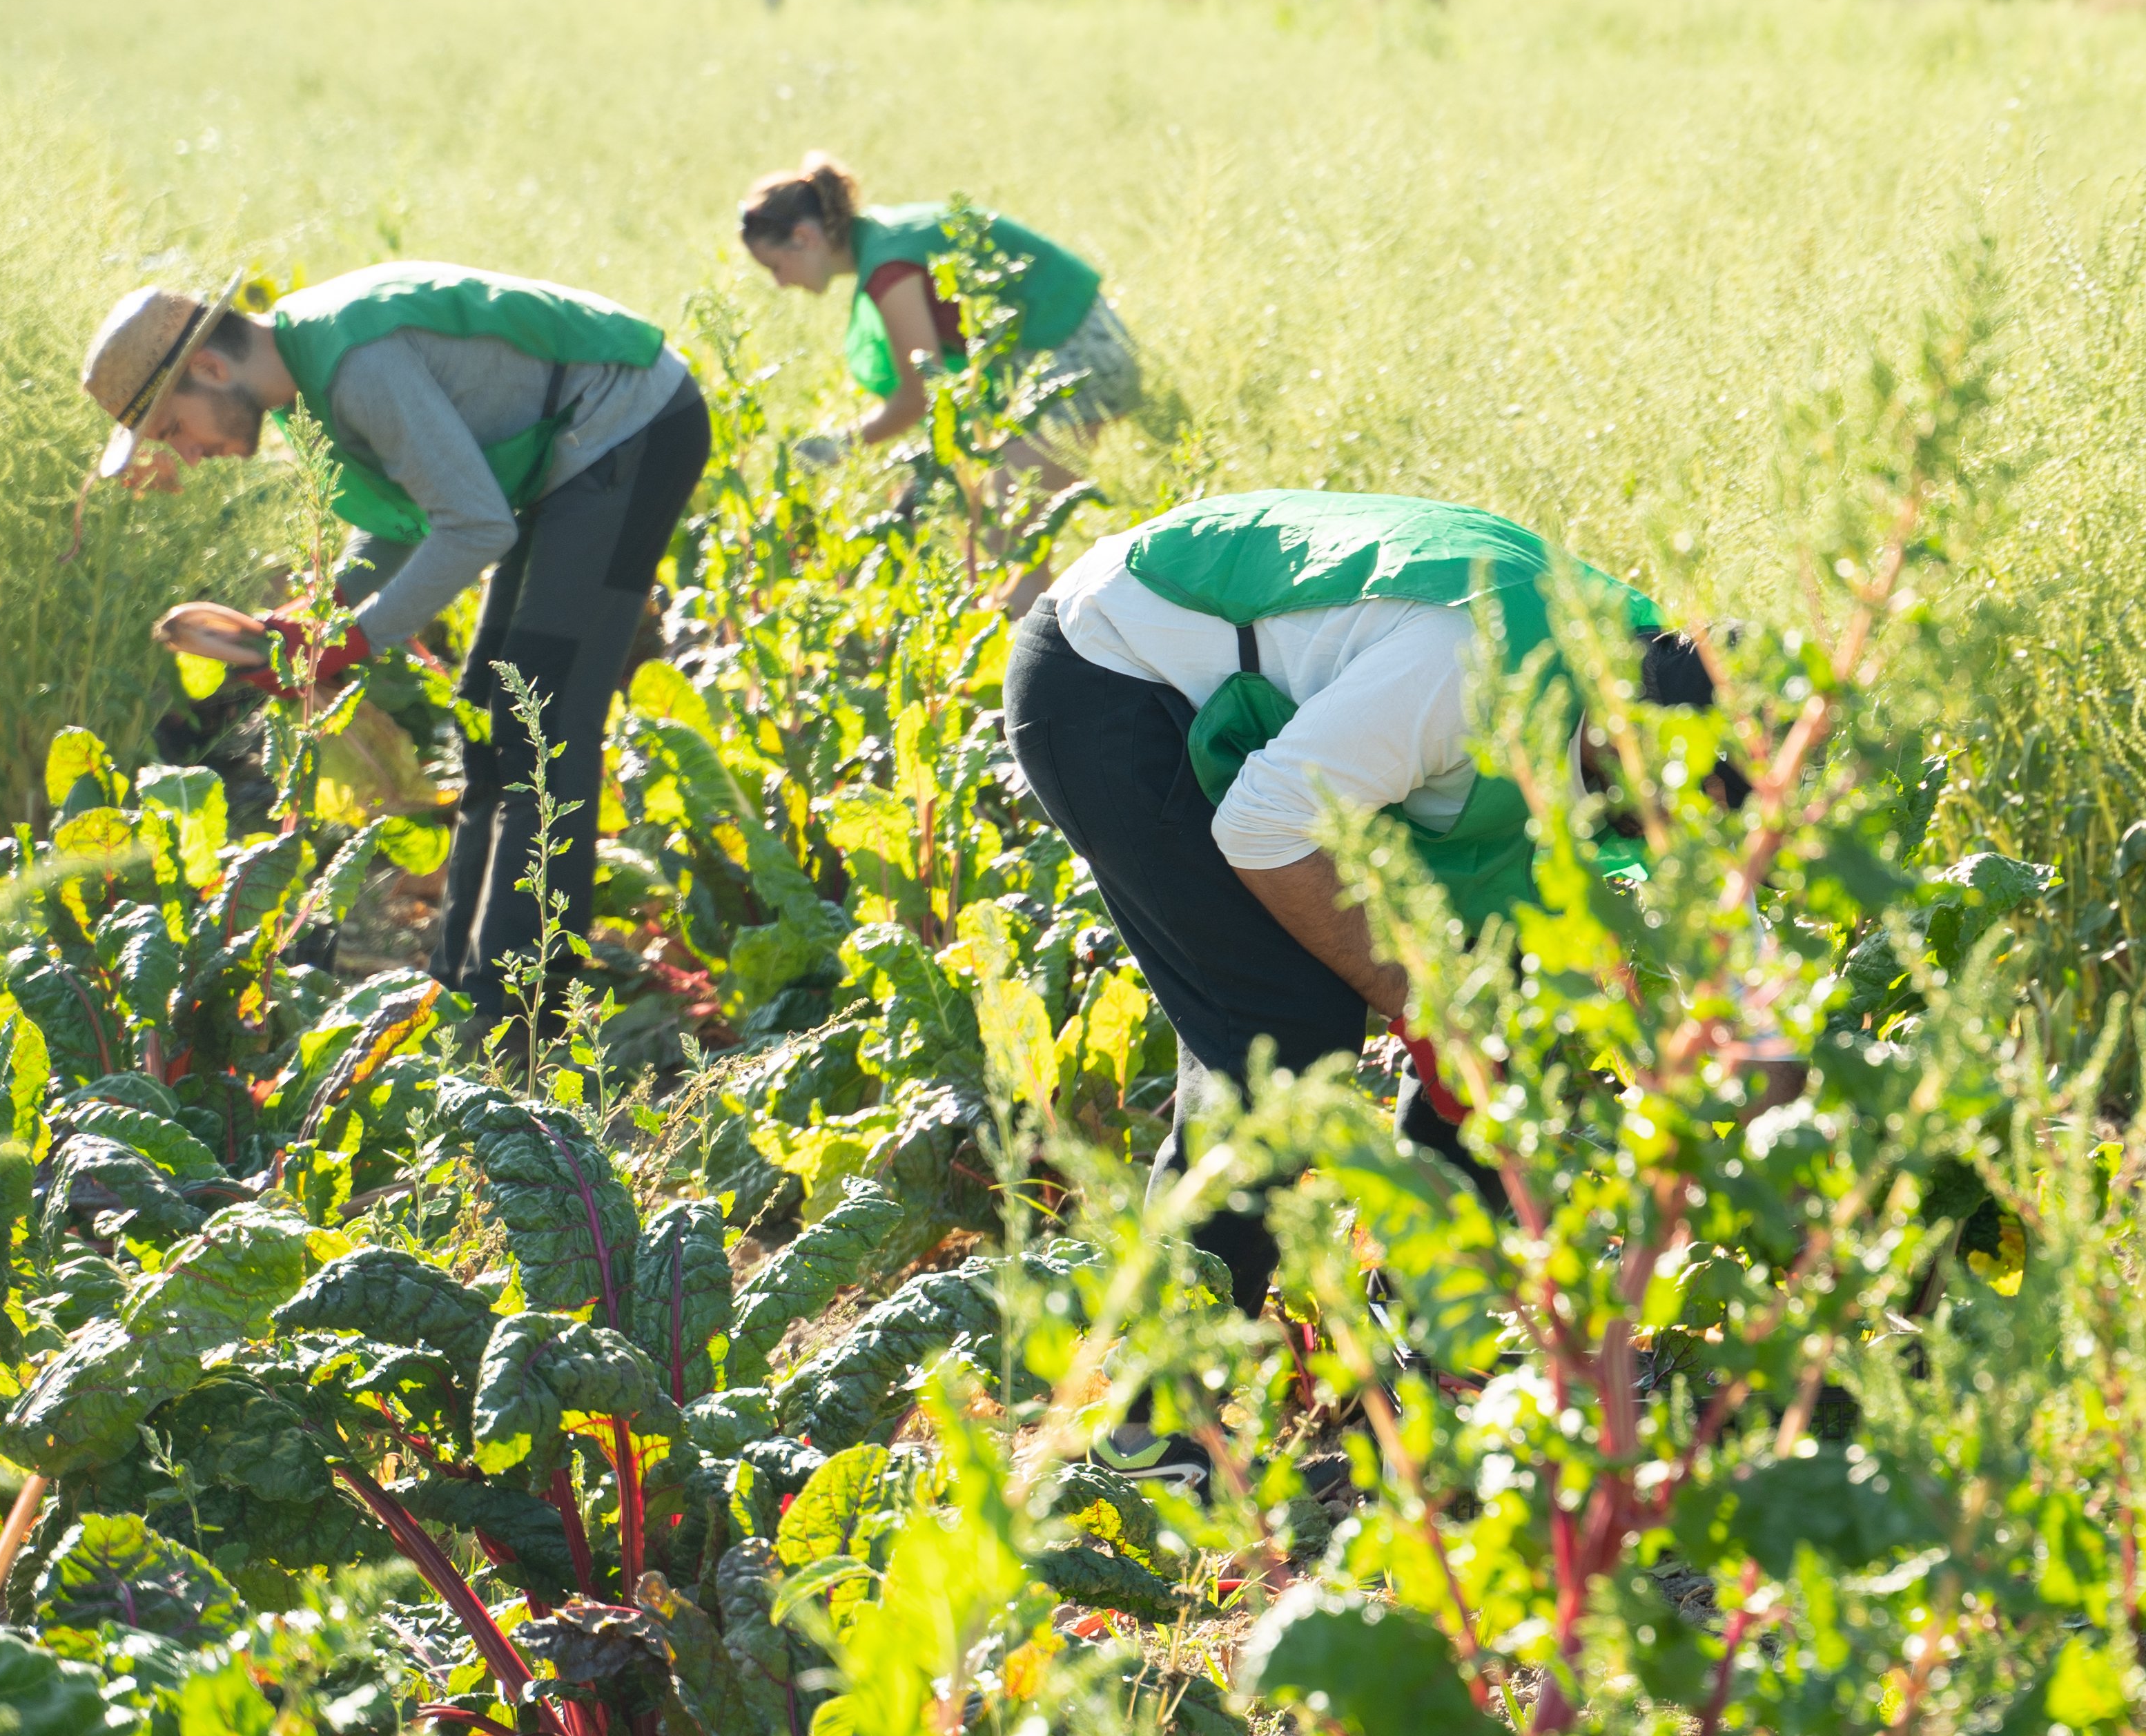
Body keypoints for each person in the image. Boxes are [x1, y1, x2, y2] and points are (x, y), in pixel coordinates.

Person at [1001, 488, 1723, 1320]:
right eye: (1684, 813)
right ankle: (1160, 1408)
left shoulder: (1647, 677)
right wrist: (1423, 1004)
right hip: (1114, 671)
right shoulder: (1472, 668)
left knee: (1509, 1007)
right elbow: (1265, 827)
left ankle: (1434, 1313)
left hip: (1278, 713)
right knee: (1281, 1042)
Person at [81, 264, 712, 1021]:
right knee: (488, 710)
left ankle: (522, 1007)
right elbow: (399, 518)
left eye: (174, 429)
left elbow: (476, 525)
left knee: (538, 719)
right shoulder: (307, 377)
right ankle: (463, 983)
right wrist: (327, 614)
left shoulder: (354, 365)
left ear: (210, 367)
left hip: (630, 424)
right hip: (569, 453)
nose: (186, 453)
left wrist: (351, 641)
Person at [733, 154, 1141, 465]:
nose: (780, 283)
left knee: (1004, 524)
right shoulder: (883, 233)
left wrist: (835, 447)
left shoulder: (889, 268)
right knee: (990, 516)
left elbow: (920, 398)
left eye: (775, 266)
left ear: (803, 238)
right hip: (1064, 350)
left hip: (1075, 356)